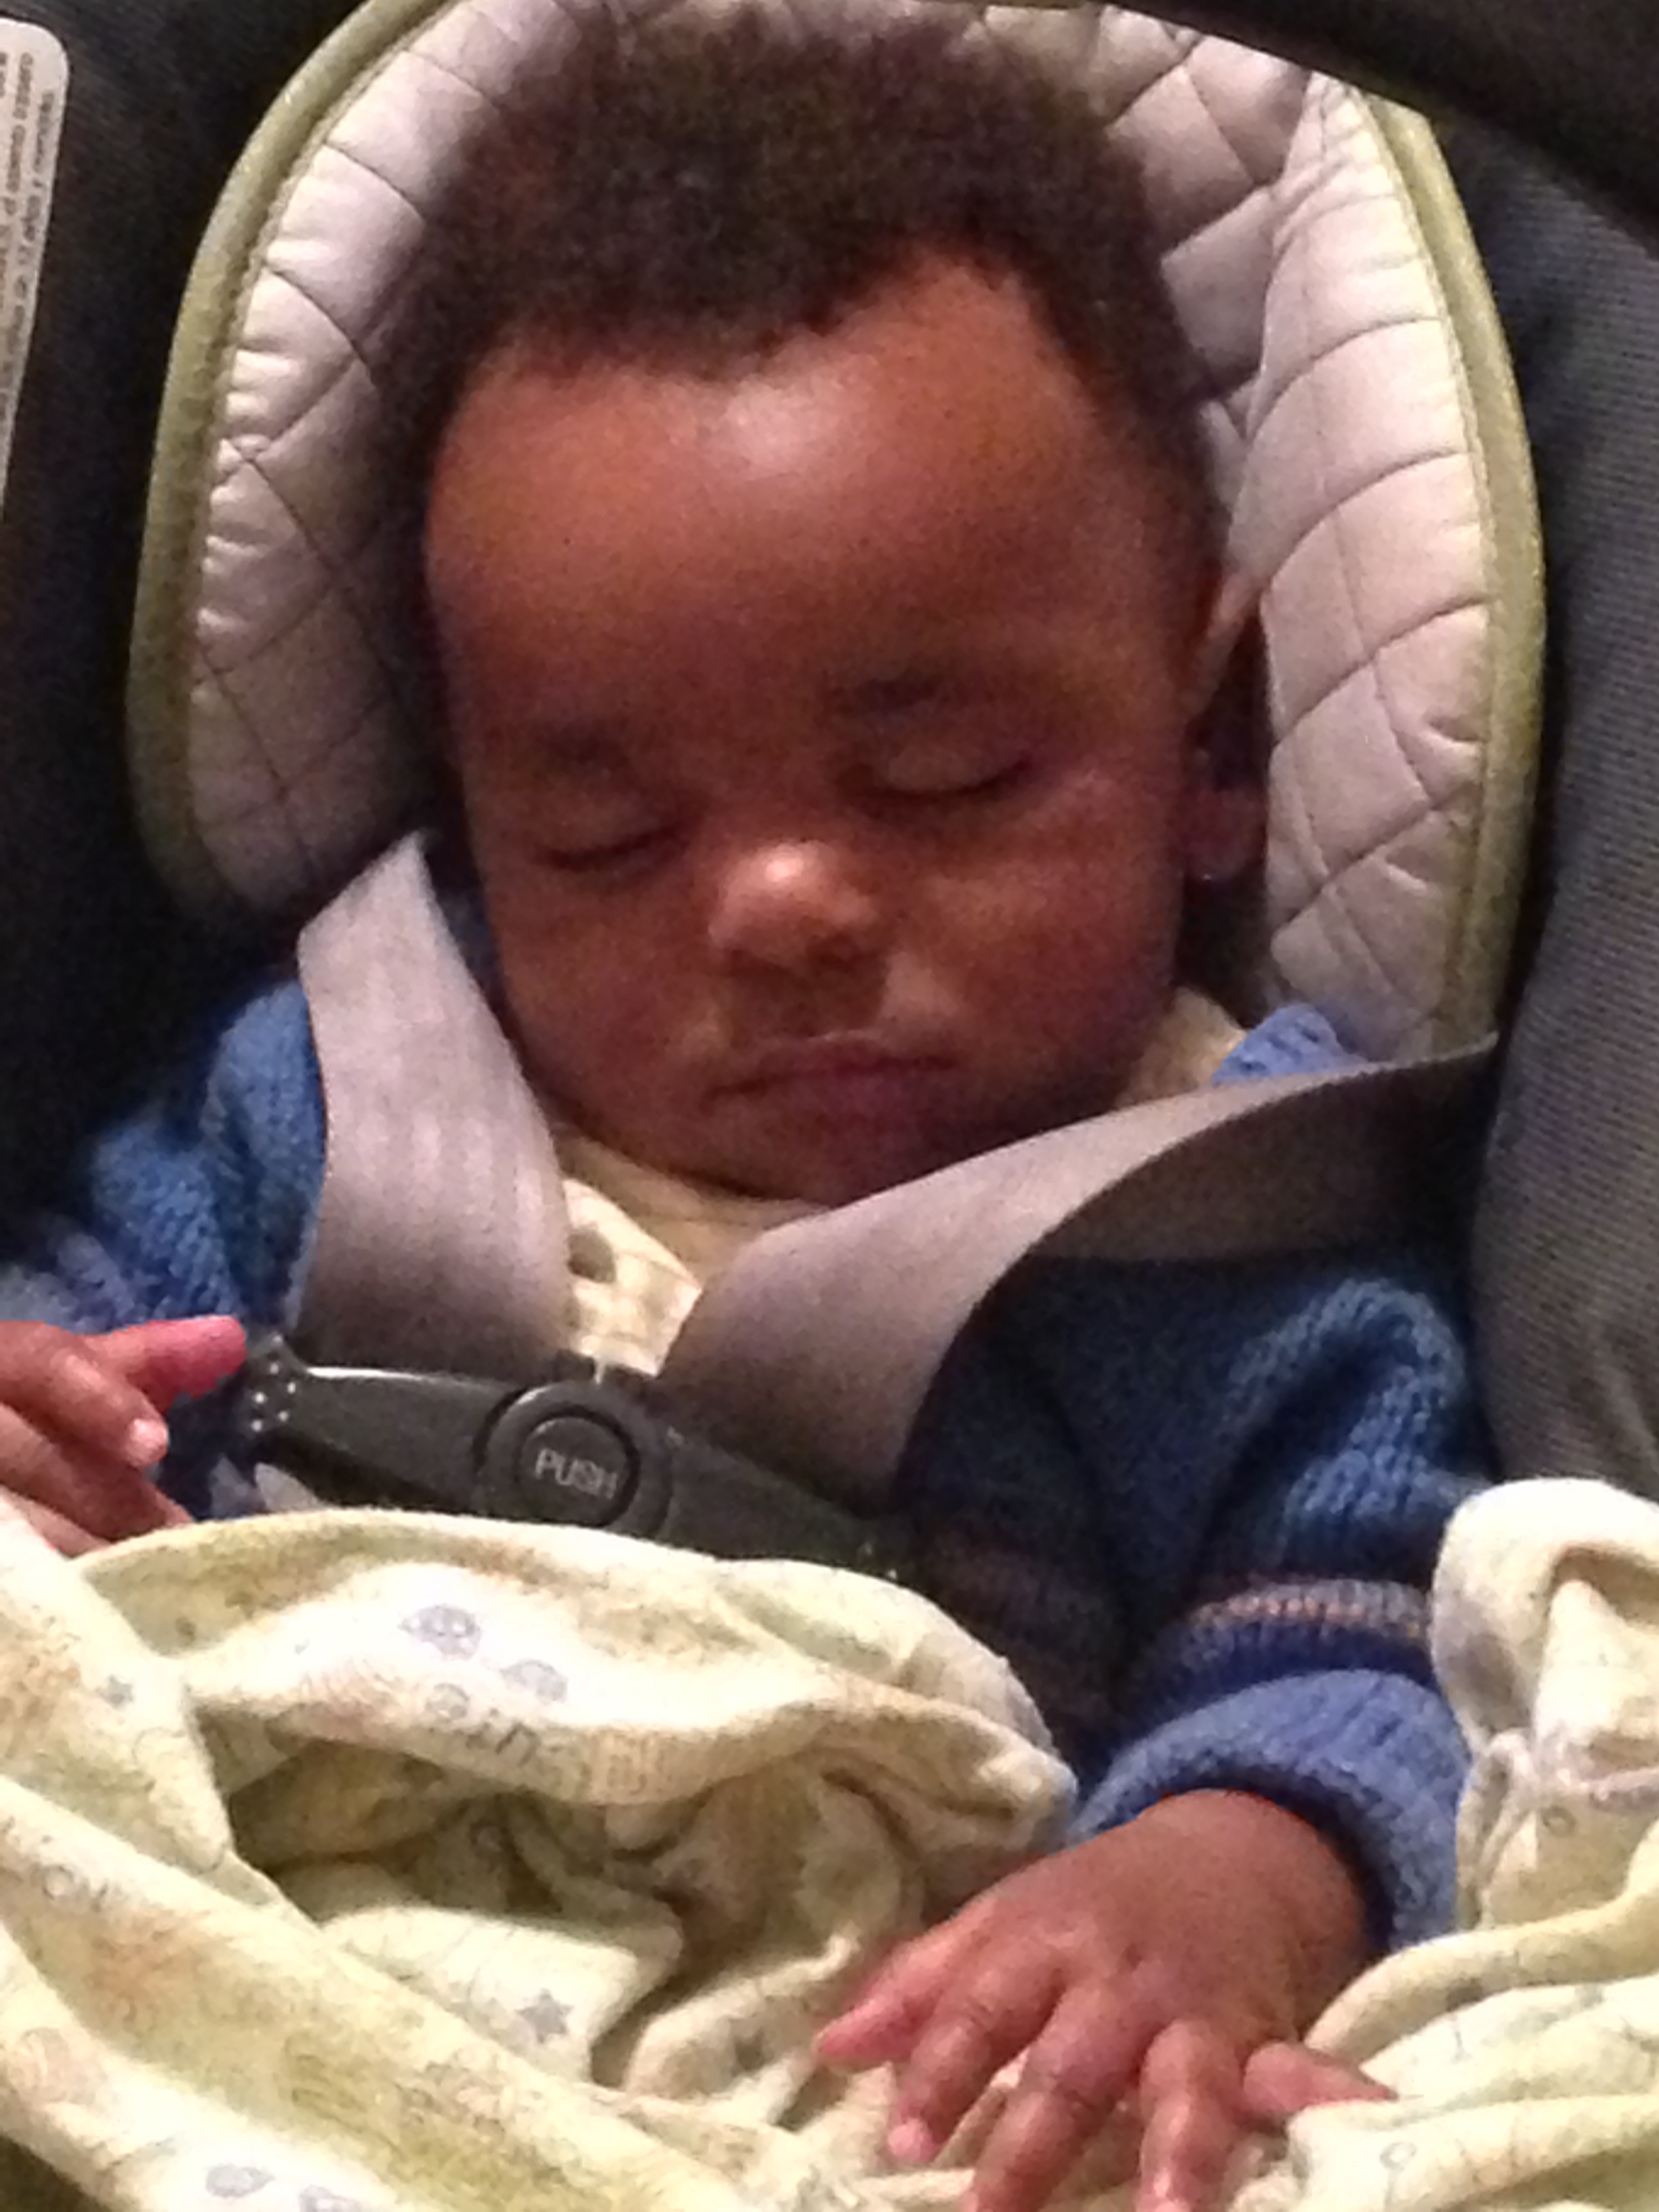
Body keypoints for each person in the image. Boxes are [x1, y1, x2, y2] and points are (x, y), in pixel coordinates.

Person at [0, 13, 1487, 2212]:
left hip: (856, 2058)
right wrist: (41, 1415)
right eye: (604, 834)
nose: (783, 909)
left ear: (1213, 742)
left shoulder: (1234, 1231)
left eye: (945, 781)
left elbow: (1363, 1621)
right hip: (221, 1939)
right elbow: (85, 1349)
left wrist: (1222, 1868)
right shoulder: (326, 1086)